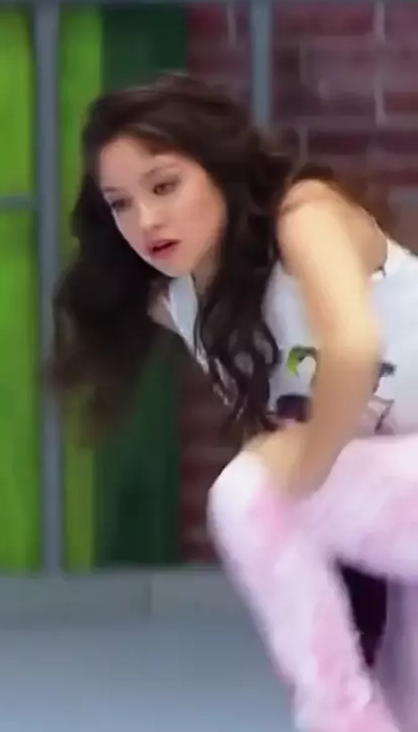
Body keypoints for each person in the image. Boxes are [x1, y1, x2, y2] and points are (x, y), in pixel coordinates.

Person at [50, 72, 418, 731]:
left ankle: (341, 718)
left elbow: (353, 347)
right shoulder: (179, 300)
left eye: (165, 186)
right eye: (121, 204)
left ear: (218, 168)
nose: (146, 221)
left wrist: (304, 466)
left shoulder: (305, 215)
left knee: (251, 492)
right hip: (393, 513)